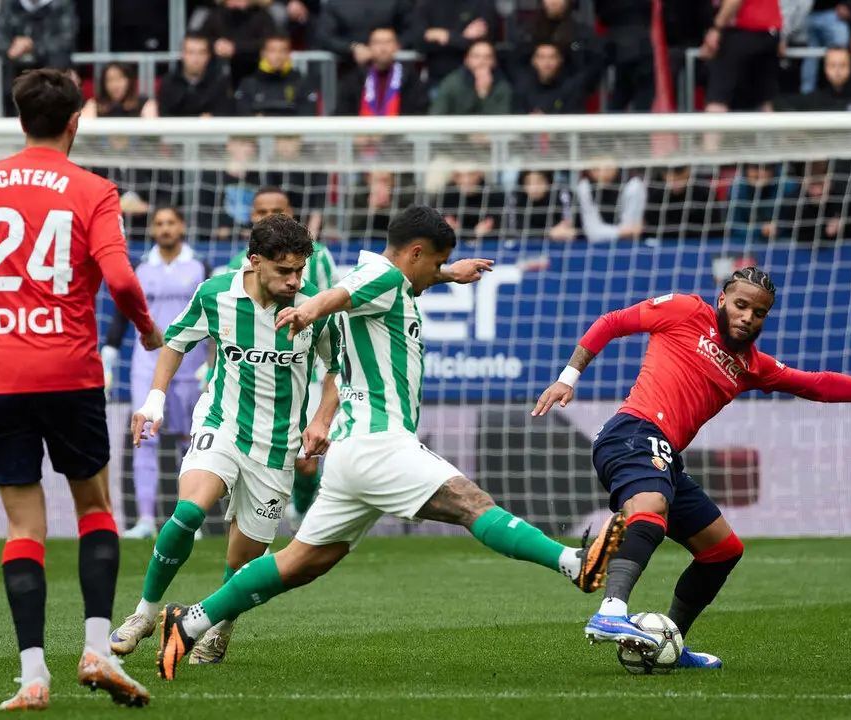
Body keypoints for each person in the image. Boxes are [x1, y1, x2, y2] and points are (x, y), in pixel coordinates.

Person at [149, 206, 628, 680]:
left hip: (353, 452)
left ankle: (190, 622)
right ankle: (574, 563)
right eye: (435, 261)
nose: (436, 271)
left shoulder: (386, 280)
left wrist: (448, 274)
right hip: (379, 443)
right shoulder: (381, 277)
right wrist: (309, 309)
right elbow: (342, 293)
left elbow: (377, 284)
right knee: (470, 502)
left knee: (299, 563)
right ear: (416, 253)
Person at [0, 68, 162, 711]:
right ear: (76, 122)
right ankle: (97, 651)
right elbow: (122, 282)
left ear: (20, 121)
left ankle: (32, 677)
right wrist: (146, 330)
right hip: (70, 373)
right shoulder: (94, 190)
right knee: (95, 508)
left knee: (23, 523)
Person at [532, 267, 851, 668]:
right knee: (651, 506)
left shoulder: (752, 366)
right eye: (741, 305)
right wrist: (568, 377)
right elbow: (612, 322)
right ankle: (611, 611)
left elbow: (818, 384)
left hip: (665, 453)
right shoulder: (684, 310)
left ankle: (668, 643)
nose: (748, 317)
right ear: (722, 300)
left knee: (722, 550)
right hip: (633, 432)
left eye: (759, 312)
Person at [110, 214, 343, 666]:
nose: (295, 281)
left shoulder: (313, 308)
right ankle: (144, 613)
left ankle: (219, 629)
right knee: (188, 511)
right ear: (254, 261)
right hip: (222, 424)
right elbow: (175, 341)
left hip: (277, 446)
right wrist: (155, 399)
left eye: (300, 270)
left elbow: (337, 367)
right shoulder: (216, 294)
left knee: (241, 562)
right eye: (284, 271)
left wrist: (321, 419)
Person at [225, 187, 336, 526]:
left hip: (304, 373)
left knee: (306, 460)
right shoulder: (237, 265)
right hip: (252, 376)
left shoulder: (319, 258)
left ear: (292, 213)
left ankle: (300, 510)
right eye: (262, 211)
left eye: (278, 210)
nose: (270, 216)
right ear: (251, 216)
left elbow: (333, 308)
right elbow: (222, 323)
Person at [101, 207, 210, 540]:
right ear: (152, 230)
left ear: (182, 226)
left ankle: (188, 522)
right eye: (159, 223)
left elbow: (214, 313)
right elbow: (123, 313)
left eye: (171, 223)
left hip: (191, 365)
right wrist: (109, 355)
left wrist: (213, 360)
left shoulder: (199, 266)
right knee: (145, 438)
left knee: (191, 442)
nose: (165, 228)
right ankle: (146, 520)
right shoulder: (141, 267)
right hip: (147, 366)